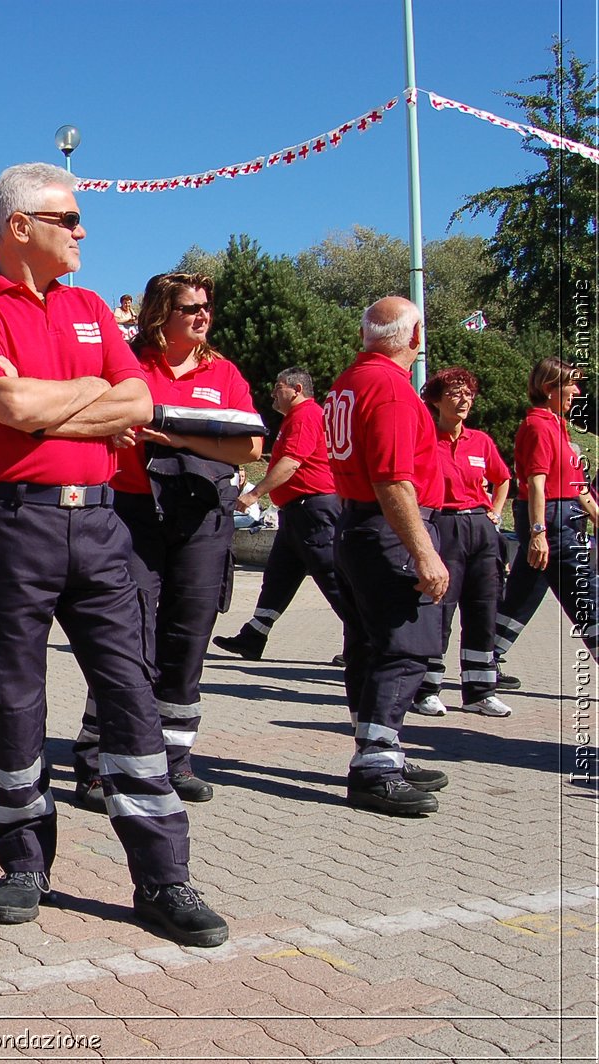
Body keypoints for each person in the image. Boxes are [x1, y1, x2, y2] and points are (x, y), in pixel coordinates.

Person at [0, 162, 227, 945]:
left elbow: (137, 401)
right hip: (14, 523)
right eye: (68, 219)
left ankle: (165, 880)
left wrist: (42, 410)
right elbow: (8, 404)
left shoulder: (95, 308)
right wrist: (71, 405)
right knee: (18, 701)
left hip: (101, 525)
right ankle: (24, 864)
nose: (83, 231)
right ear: (19, 227)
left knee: (132, 693)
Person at [83, 273, 263, 806]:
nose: (203, 316)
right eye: (190, 308)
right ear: (161, 313)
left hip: (203, 516)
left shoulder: (223, 372)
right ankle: (99, 757)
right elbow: (93, 418)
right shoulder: (129, 365)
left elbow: (251, 447)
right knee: (127, 637)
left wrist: (180, 437)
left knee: (188, 637)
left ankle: (175, 759)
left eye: (207, 307)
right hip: (133, 511)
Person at [327, 297, 451, 817]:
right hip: (388, 529)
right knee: (404, 648)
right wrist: (424, 553)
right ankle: (376, 765)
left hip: (356, 524)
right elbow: (393, 479)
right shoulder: (392, 389)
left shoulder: (349, 381)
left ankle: (381, 751)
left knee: (370, 645)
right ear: (414, 336)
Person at [214, 367, 349, 660]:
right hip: (297, 512)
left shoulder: (305, 416)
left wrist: (253, 494)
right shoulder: (296, 418)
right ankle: (254, 635)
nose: (274, 392)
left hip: (312, 510)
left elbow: (291, 463)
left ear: (297, 389)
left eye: (279, 387)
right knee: (279, 576)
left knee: (332, 577)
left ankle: (366, 641)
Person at [411, 368, 513, 718]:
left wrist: (495, 514)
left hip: (481, 529)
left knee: (484, 609)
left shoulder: (481, 441)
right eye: (455, 393)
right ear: (436, 401)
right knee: (440, 610)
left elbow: (503, 479)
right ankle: (427, 688)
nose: (464, 399)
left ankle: (480, 690)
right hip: (445, 527)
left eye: (468, 393)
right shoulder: (425, 440)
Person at [494, 357, 599, 668]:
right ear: (548, 388)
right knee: (586, 591)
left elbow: (573, 483)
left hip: (558, 516)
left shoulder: (556, 425)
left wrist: (595, 514)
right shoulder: (539, 426)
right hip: (552, 520)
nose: (577, 390)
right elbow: (537, 484)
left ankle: (484, 661)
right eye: (570, 384)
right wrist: (538, 533)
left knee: (523, 593)